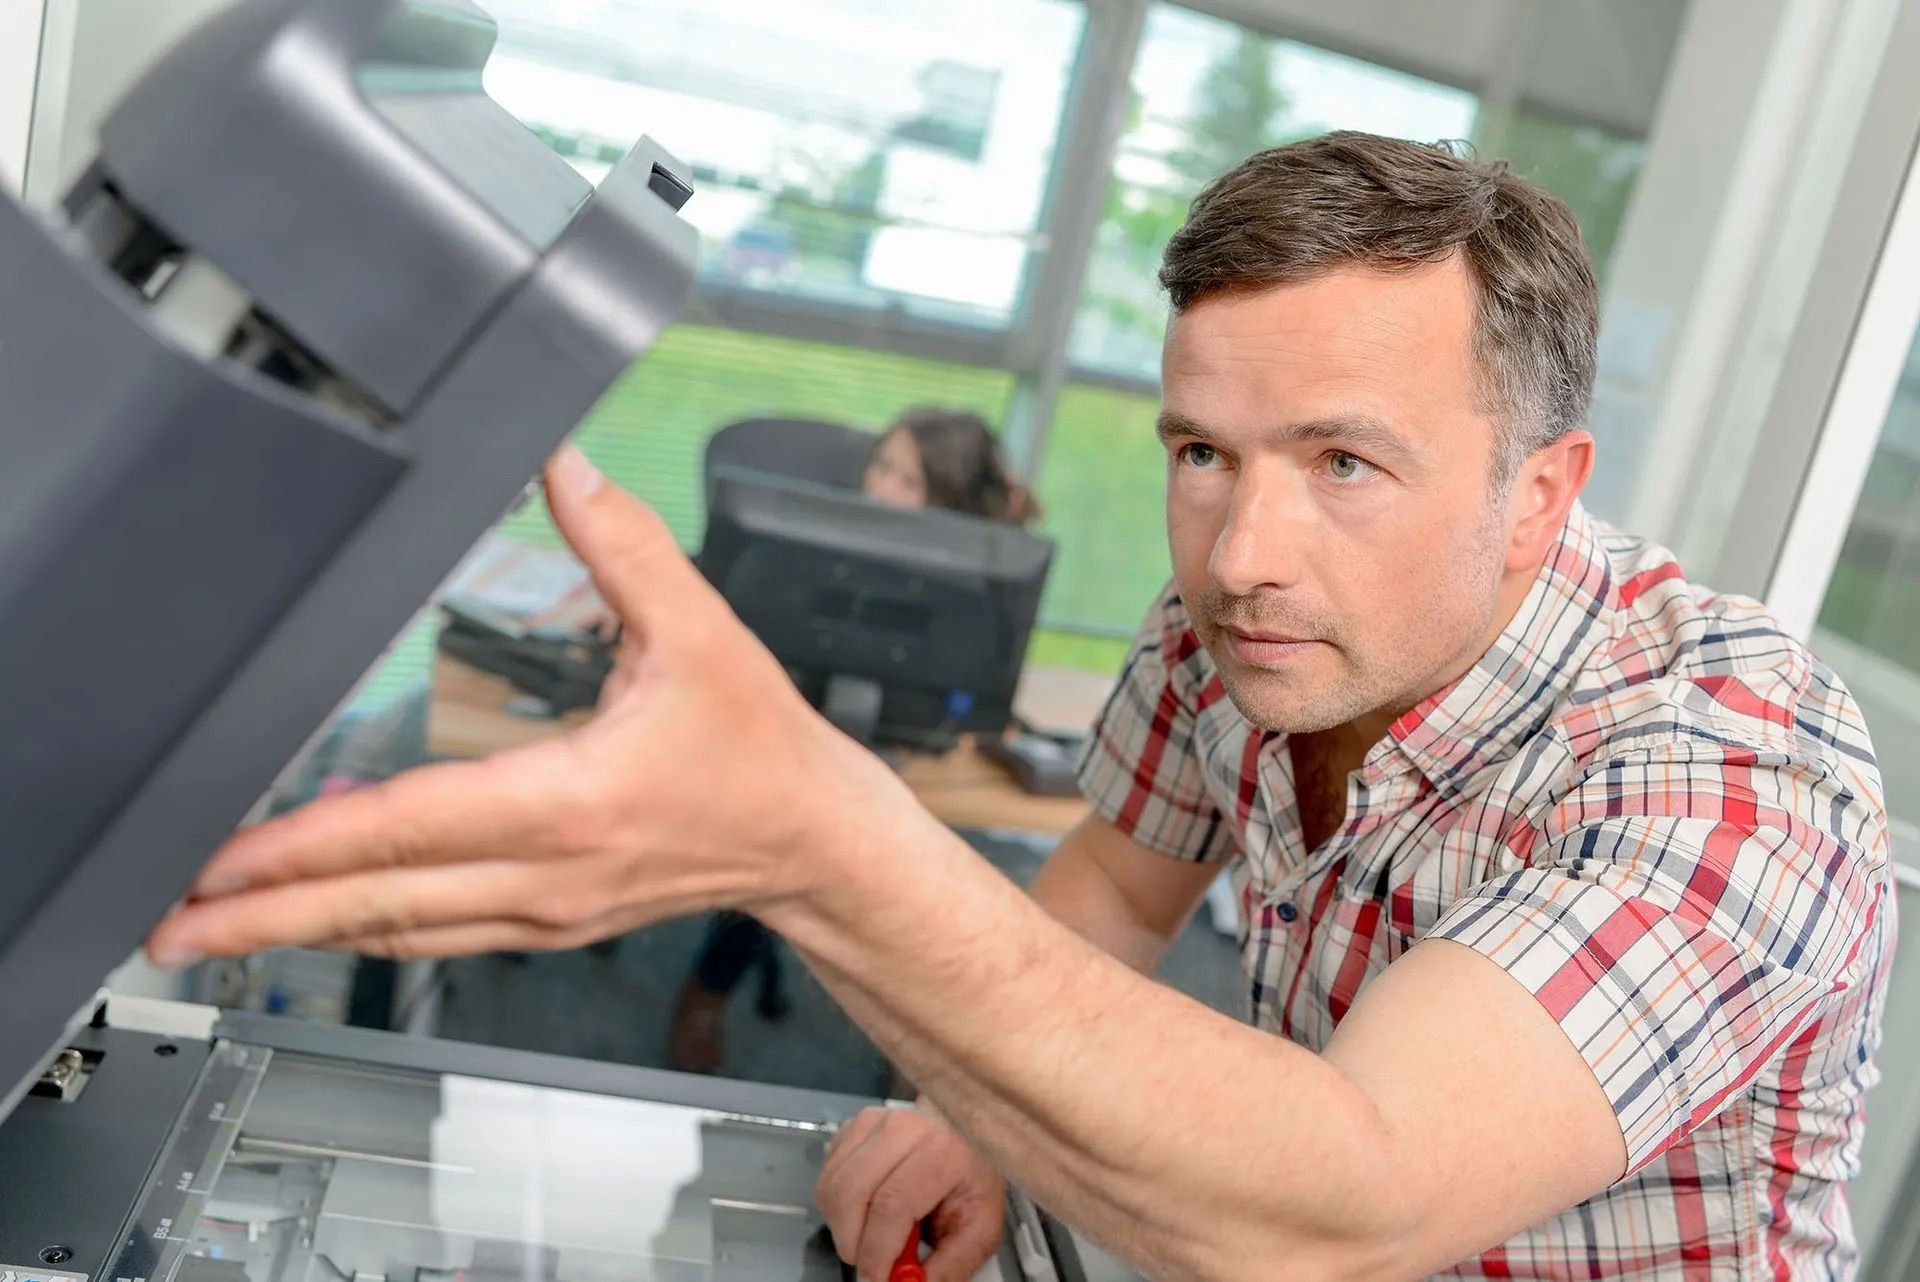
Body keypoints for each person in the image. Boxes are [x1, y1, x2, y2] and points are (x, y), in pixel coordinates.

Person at [148, 132, 1893, 1281]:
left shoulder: (1740, 759)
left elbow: (1352, 1197)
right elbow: (1123, 887)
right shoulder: (1242, 628)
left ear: (1540, 491)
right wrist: (973, 1114)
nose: (1241, 553)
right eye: (1203, 453)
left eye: (1345, 461)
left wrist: (816, 833)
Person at [670, 406, 1039, 1074]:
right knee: (794, 838)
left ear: (949, 500)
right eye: (883, 466)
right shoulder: (821, 535)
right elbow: (723, 577)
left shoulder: (969, 579)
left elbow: (974, 688)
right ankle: (707, 994)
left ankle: (916, 1041)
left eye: (910, 480)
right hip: (783, 720)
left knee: (905, 869)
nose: (883, 489)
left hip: (898, 744)